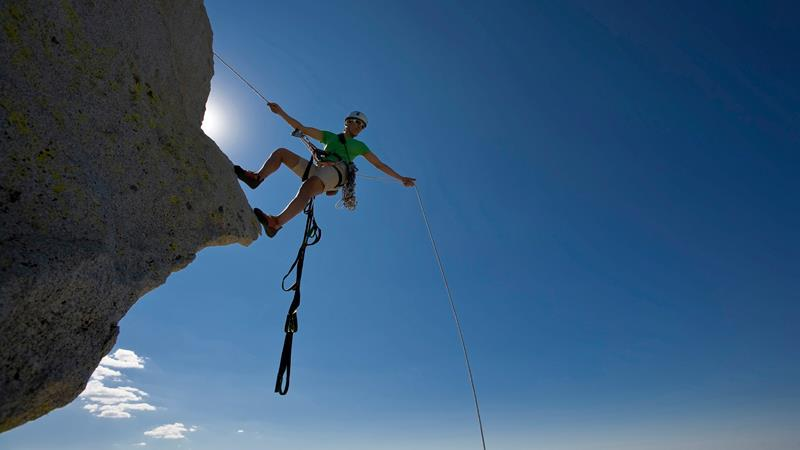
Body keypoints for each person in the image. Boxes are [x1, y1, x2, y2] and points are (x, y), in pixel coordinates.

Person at [234, 102, 416, 237]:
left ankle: (276, 223)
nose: (360, 128)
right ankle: (257, 178)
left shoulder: (360, 146)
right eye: (357, 123)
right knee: (282, 153)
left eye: (362, 126)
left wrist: (400, 178)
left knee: (308, 187)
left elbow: (379, 164)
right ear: (348, 122)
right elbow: (302, 128)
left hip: (337, 171)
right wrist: (281, 112)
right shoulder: (329, 137)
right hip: (318, 169)